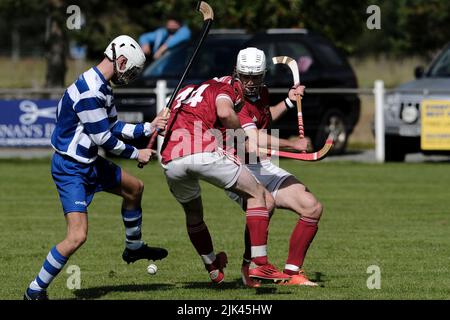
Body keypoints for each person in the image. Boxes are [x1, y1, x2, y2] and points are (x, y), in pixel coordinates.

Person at [24, 35, 169, 300]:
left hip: (89, 162)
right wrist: (138, 151)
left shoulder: (102, 86)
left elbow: (113, 126)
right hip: (71, 169)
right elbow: (105, 139)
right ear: (122, 61)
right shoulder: (90, 91)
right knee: (77, 236)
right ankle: (35, 290)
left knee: (135, 188)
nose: (132, 76)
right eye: (133, 70)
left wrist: (150, 126)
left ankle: (133, 248)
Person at [159, 77, 290, 284]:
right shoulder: (224, 88)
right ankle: (259, 264)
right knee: (259, 195)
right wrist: (244, 139)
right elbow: (225, 112)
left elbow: (161, 121)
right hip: (203, 150)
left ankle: (212, 265)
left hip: (172, 157)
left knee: (193, 213)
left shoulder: (185, 91)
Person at [219, 47, 323, 288]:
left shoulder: (261, 93)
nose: (250, 82)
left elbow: (265, 117)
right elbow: (255, 138)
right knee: (265, 204)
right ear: (237, 72)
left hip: (262, 165)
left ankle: (292, 273)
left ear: (263, 75)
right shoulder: (233, 98)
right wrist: (292, 144)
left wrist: (288, 101)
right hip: (235, 168)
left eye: (255, 76)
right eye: (246, 76)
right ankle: (250, 267)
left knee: (312, 207)